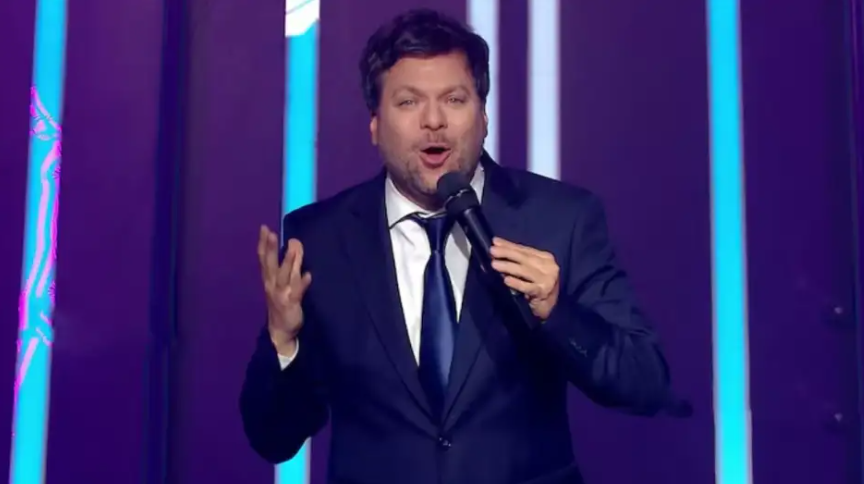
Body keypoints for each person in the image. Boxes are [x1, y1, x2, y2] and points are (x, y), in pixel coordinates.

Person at [241, 8, 673, 484]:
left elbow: (645, 382)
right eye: (409, 102)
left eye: (454, 99)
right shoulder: (321, 239)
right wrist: (284, 342)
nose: (434, 121)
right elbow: (273, 437)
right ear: (375, 124)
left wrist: (557, 313)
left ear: (483, 116)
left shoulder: (559, 220)